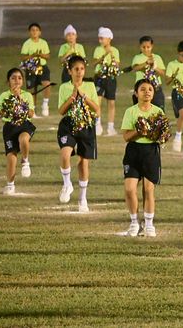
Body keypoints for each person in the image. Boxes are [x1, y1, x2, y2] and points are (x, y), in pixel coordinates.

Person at [119, 79, 165, 238]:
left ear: (153, 93)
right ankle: (134, 222)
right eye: (143, 89)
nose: (147, 92)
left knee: (148, 189)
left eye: (150, 89)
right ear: (136, 93)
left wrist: (158, 134)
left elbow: (163, 135)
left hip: (151, 152)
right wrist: (140, 131)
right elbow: (126, 136)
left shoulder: (158, 111)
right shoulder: (130, 111)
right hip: (133, 151)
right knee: (130, 188)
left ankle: (149, 223)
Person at [57, 55, 100, 213]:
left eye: (82, 69)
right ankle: (67, 184)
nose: (79, 72)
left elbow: (97, 110)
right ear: (69, 71)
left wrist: (84, 97)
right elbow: (61, 111)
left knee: (83, 163)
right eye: (76, 69)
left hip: (86, 125)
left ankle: (83, 198)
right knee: (65, 154)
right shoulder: (64, 87)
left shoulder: (90, 86)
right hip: (68, 124)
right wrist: (72, 97)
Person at [0, 68, 36, 195]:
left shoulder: (27, 95)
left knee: (24, 139)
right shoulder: (4, 95)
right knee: (11, 158)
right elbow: (2, 113)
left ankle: (25, 161)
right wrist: (12, 100)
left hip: (24, 125)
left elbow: (31, 114)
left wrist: (20, 99)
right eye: (13, 78)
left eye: (19, 78)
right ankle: (10, 185)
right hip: (9, 127)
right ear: (8, 81)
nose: (16, 80)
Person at [93, 26, 120, 136]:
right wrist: (104, 55)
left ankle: (110, 127)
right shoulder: (98, 49)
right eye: (99, 38)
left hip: (111, 78)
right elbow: (94, 63)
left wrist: (112, 55)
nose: (100, 41)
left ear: (109, 38)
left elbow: (117, 65)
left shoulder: (115, 50)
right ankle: (97, 124)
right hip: (99, 77)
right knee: (97, 102)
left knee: (111, 103)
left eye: (102, 38)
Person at [20, 22, 51, 117]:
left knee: (47, 84)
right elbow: (23, 57)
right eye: (32, 30)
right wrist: (32, 56)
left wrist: (40, 55)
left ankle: (45, 104)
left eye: (36, 30)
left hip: (42, 66)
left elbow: (48, 56)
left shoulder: (43, 43)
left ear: (40, 32)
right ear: (29, 32)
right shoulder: (27, 43)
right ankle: (32, 109)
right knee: (32, 89)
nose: (34, 32)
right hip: (31, 67)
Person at [132, 36, 166, 109]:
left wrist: (155, 67)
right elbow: (135, 68)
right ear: (140, 47)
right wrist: (146, 63)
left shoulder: (157, 57)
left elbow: (163, 73)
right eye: (143, 47)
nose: (146, 49)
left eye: (148, 47)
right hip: (141, 88)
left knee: (159, 112)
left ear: (152, 46)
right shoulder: (137, 57)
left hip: (156, 88)